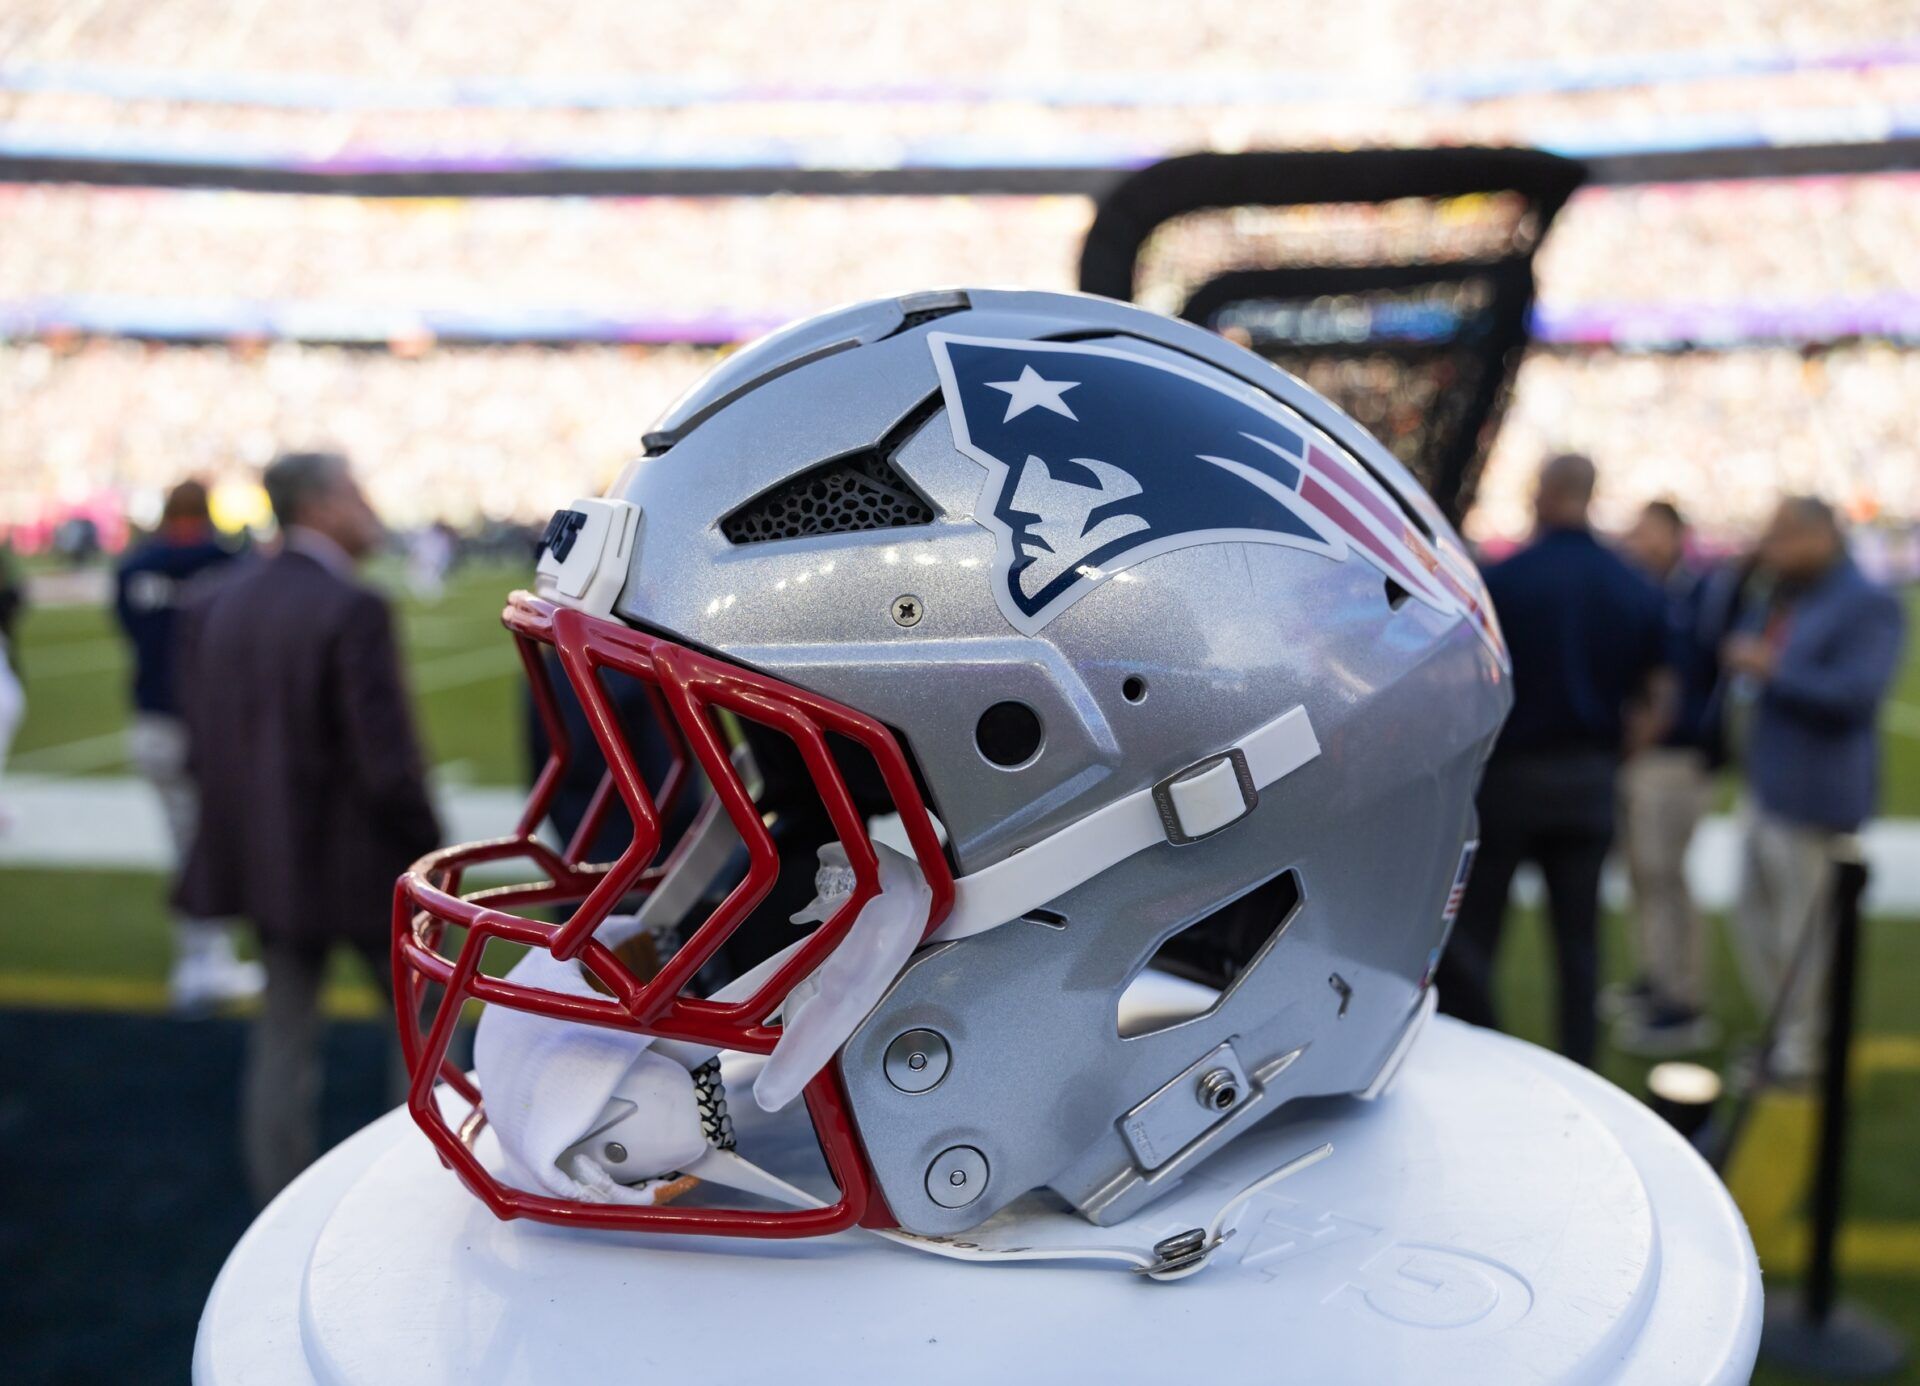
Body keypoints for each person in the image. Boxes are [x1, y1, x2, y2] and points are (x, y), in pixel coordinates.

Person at [176, 451, 441, 1203]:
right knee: (423, 1028)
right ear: (322, 506)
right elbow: (386, 763)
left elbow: (207, 749)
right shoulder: (352, 606)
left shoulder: (215, 601)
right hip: (358, 864)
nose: (369, 507)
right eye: (357, 493)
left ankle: (275, 1197)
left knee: (284, 1034)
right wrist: (431, 852)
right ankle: (417, 1190)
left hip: (268, 859)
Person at [1436, 454, 1672, 1066]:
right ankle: (1579, 1066)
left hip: (1510, 778)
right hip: (1588, 779)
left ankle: (1476, 1056)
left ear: (1546, 493)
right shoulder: (1631, 583)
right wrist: (1616, 753)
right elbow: (1661, 696)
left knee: (1476, 937)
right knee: (1580, 943)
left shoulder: (1507, 580)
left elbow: (1464, 684)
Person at [1721, 497, 1906, 1082]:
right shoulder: (1787, 596)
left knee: (1805, 935)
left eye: (1782, 539)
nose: (1771, 550)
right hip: (1768, 785)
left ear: (1820, 536)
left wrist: (1772, 669)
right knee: (1754, 918)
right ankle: (1784, 1038)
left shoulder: (1868, 602)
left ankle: (1802, 1055)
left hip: (1816, 795)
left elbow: (1855, 696)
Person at [112, 480, 260, 1010]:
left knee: (186, 843)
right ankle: (204, 963)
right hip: (207, 724)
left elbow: (130, 629)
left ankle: (203, 957)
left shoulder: (134, 566)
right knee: (211, 847)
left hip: (152, 718)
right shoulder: (227, 562)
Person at [1607, 501, 1741, 1055]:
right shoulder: (1652, 591)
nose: (1638, 541)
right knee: (1644, 874)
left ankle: (1681, 1000)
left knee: (1666, 876)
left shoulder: (1700, 596)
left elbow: (1702, 677)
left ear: (1677, 535)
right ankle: (1656, 977)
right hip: (1644, 756)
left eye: (1649, 532)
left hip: (1677, 758)